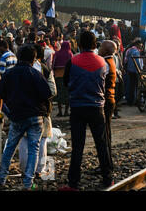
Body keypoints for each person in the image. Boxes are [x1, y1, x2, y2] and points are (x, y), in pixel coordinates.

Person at [60, 31, 113, 190]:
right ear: (94, 44)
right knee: (101, 144)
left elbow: (66, 82)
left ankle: (74, 182)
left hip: (77, 108)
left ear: (80, 44)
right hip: (97, 108)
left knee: (78, 146)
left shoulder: (72, 61)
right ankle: (107, 179)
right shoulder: (104, 63)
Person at [0, 44, 52, 190]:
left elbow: (1, 94)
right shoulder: (35, 74)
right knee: (34, 148)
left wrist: (10, 112)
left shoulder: (9, 74)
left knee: (9, 147)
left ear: (18, 56)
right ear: (33, 59)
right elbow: (47, 93)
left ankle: (1, 179)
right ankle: (28, 183)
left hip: (17, 116)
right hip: (35, 117)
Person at [19, 43, 56, 179]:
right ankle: (39, 171)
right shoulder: (45, 70)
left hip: (22, 110)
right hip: (42, 111)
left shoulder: (18, 70)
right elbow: (52, 91)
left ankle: (25, 171)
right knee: (42, 141)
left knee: (24, 140)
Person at [98, 40, 117, 169]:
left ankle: (106, 164)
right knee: (106, 132)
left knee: (104, 133)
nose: (98, 49)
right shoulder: (111, 61)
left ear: (105, 50)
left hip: (105, 100)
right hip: (110, 99)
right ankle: (107, 163)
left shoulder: (105, 63)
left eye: (100, 47)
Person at [52, 41, 73, 117]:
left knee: (59, 94)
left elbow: (53, 64)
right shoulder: (70, 54)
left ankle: (60, 111)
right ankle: (66, 111)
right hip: (68, 76)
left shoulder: (57, 54)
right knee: (67, 94)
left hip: (58, 76)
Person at [124, 40, 143, 107]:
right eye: (140, 45)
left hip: (130, 71)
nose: (141, 46)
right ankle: (136, 101)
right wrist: (140, 70)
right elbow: (138, 62)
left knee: (131, 86)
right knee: (137, 87)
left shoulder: (129, 50)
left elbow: (125, 61)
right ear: (137, 45)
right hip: (136, 71)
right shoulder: (135, 51)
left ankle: (131, 101)